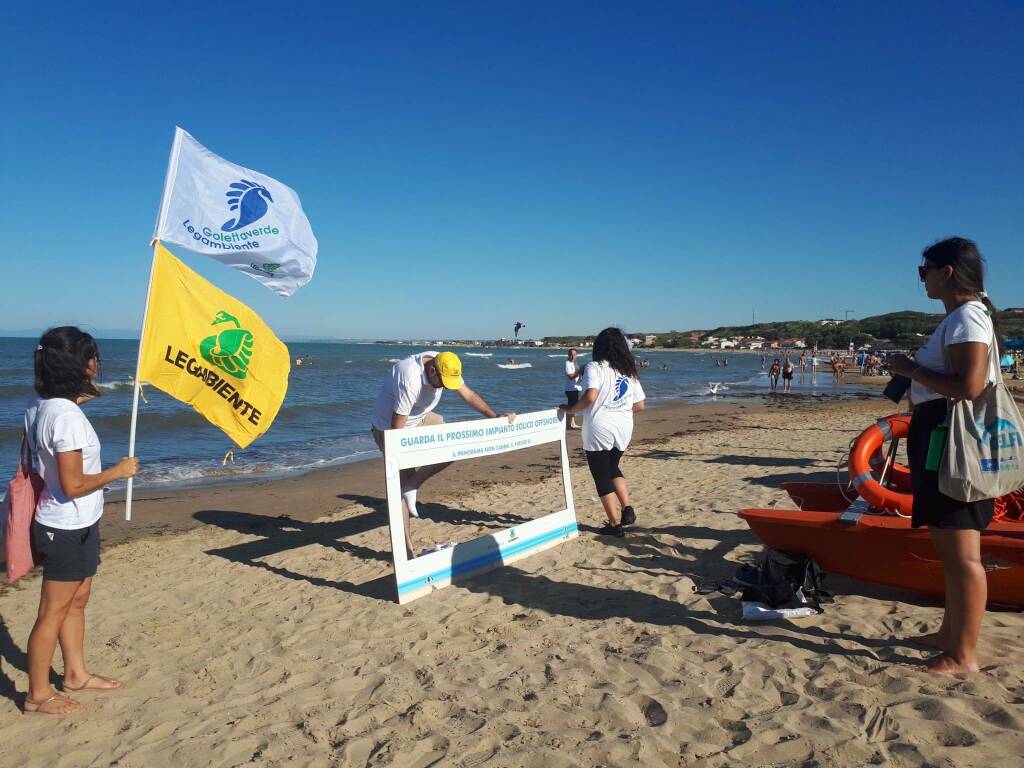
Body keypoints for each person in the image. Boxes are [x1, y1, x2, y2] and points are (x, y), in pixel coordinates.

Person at [888, 237, 1002, 675]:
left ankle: (962, 655)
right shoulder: (964, 317)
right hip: (940, 437)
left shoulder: (967, 318)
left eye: (925, 271)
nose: (923, 279)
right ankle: (950, 634)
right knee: (950, 546)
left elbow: (970, 387)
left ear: (947, 272)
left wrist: (910, 370)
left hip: (954, 442)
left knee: (962, 553)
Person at [23, 327, 140, 715]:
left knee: (77, 602)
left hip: (77, 521)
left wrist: (83, 396)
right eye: (91, 356)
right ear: (78, 364)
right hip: (65, 524)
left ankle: (75, 673)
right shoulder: (66, 416)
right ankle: (38, 695)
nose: (96, 363)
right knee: (52, 612)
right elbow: (73, 484)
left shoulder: (43, 406)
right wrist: (118, 472)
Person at [370, 351, 514, 557]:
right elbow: (396, 430)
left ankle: (414, 484)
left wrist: (495, 416)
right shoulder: (409, 377)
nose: (446, 387)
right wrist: (401, 463)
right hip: (389, 427)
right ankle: (408, 552)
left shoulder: (447, 363)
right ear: (431, 370)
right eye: (443, 383)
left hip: (421, 418)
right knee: (400, 486)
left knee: (454, 445)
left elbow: (469, 395)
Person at [558, 328, 645, 538]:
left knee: (601, 475)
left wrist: (571, 410)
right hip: (624, 427)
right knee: (613, 466)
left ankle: (614, 525)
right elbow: (640, 405)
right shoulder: (628, 370)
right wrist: (619, 410)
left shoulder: (594, 367)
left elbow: (590, 396)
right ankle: (627, 508)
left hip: (599, 426)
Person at [563, 348, 583, 429]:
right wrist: (579, 372)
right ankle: (568, 424)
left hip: (576, 388)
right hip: (570, 389)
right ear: (568, 355)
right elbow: (571, 376)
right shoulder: (567, 363)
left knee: (574, 406)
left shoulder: (575, 363)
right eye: (571, 354)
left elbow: (578, 376)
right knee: (571, 407)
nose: (573, 356)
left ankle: (573, 423)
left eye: (574, 354)